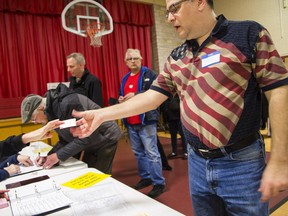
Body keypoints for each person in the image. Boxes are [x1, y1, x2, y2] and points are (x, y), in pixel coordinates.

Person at [70, 0, 288, 215]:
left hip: (241, 163)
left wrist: (280, 159)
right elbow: (151, 97)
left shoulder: (247, 33)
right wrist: (100, 114)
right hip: (197, 162)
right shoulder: (176, 56)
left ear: (200, 2)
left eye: (174, 9)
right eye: (167, 12)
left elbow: (279, 90)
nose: (169, 18)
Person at [21, 83, 122, 174]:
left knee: (97, 175)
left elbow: (86, 136)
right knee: (88, 172)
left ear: (40, 108)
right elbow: (66, 139)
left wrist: (58, 156)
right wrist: (50, 156)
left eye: (34, 119)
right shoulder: (52, 112)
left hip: (105, 136)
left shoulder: (67, 104)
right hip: (92, 139)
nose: (36, 123)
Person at [118, 48, 166, 198]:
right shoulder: (125, 78)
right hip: (131, 121)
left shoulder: (149, 74)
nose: (133, 61)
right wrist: (122, 99)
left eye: (135, 58)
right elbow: (124, 96)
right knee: (139, 153)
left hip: (146, 121)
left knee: (152, 153)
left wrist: (136, 95)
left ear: (141, 59)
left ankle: (159, 183)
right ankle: (145, 178)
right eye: (130, 59)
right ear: (126, 62)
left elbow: (156, 93)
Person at [162, 94, 187, 160]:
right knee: (173, 135)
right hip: (171, 117)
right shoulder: (168, 96)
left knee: (183, 135)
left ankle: (185, 152)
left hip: (179, 117)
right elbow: (165, 108)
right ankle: (174, 151)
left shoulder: (179, 95)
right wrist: (165, 120)